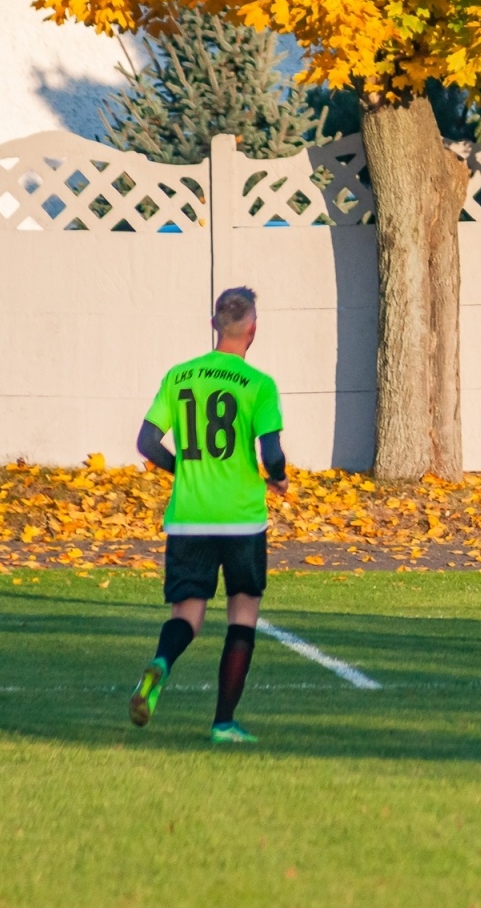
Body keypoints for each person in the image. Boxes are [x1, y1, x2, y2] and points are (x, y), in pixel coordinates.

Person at [128, 287, 287, 743]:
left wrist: (181, 468)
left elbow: (146, 442)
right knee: (242, 615)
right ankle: (223, 723)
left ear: (215, 325)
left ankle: (161, 663)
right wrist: (278, 477)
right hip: (241, 519)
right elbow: (272, 453)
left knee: (188, 614)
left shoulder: (179, 376)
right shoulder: (259, 384)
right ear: (252, 329)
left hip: (190, 516)